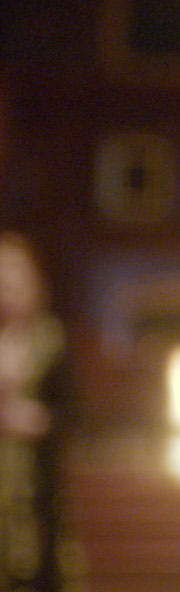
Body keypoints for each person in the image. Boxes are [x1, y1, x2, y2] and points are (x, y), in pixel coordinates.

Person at [0, 232, 67, 592]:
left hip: (36, 492)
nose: (7, 292)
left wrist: (39, 420)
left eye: (15, 280)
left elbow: (73, 415)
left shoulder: (52, 342)